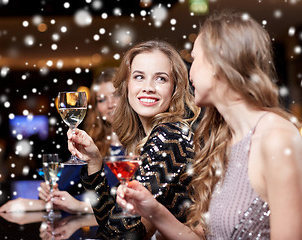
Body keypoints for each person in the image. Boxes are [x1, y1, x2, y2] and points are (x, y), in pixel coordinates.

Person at [116, 11, 302, 239]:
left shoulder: (276, 137)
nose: (188, 71)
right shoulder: (222, 142)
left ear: (219, 61)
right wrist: (153, 210)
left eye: (194, 60)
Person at [65, 40, 200, 238]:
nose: (148, 87)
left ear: (175, 87)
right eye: (139, 77)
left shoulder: (169, 136)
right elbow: (116, 224)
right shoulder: (151, 136)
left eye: (160, 79)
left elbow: (119, 234)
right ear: (126, 85)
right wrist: (94, 161)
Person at [0, 68, 121, 214]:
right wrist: (47, 194)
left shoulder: (142, 143)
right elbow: (61, 187)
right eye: (102, 99)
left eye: (116, 95)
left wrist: (79, 206)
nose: (110, 104)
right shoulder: (93, 144)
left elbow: (129, 204)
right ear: (95, 107)